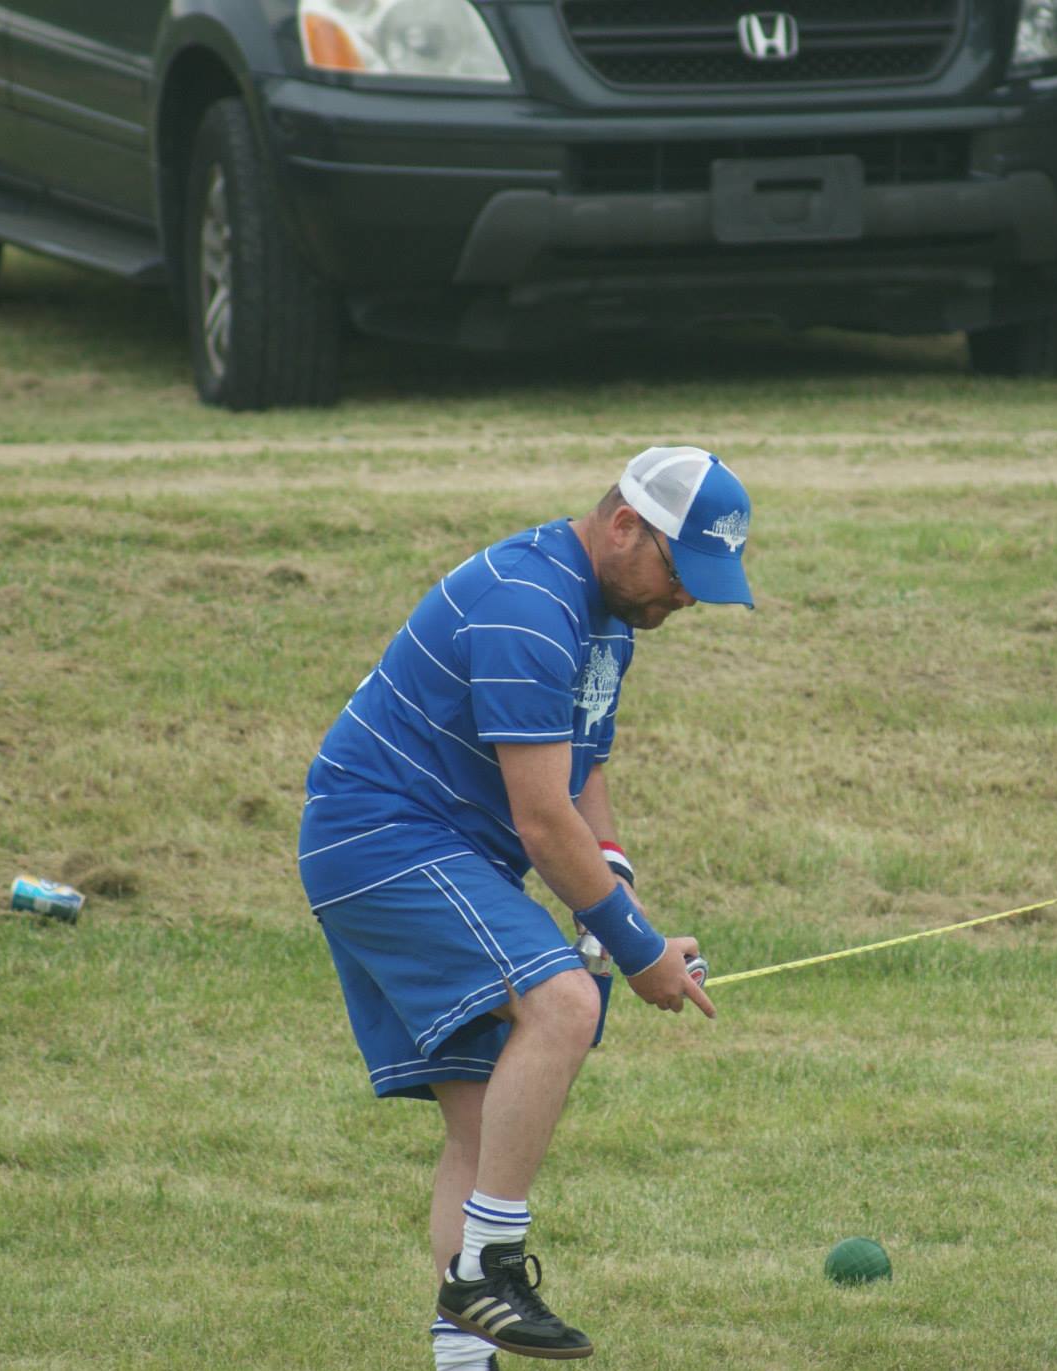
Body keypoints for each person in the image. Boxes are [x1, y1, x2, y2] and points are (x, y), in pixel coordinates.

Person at [297, 445, 753, 1367]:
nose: (688, 598)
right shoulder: (528, 607)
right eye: (681, 572)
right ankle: (486, 1268)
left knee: (482, 1123)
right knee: (563, 1004)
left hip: (438, 849)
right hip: (384, 838)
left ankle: (465, 1352)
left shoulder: (608, 619)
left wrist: (615, 905)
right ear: (623, 526)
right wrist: (638, 953)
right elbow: (542, 821)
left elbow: (582, 777)